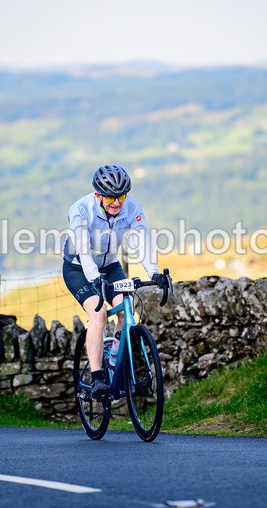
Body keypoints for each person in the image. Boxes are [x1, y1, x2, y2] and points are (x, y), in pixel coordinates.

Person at [62, 165, 170, 399]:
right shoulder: (81, 209)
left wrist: (154, 272)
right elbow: (82, 250)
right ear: (98, 195)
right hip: (79, 267)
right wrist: (94, 280)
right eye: (111, 197)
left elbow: (142, 240)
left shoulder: (132, 207)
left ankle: (114, 358)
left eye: (121, 196)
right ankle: (98, 376)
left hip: (110, 266)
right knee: (98, 313)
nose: (117, 204)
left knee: (126, 309)